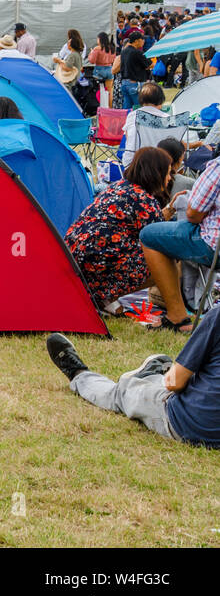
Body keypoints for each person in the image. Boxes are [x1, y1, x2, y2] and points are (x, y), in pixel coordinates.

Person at [44, 322, 220, 448]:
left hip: (187, 424)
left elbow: (174, 383)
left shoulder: (216, 318)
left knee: (120, 394)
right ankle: (149, 376)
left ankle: (79, 374)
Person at [64, 146, 174, 311]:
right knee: (165, 257)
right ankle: (104, 296)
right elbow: (157, 239)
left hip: (73, 259)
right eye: (168, 173)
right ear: (157, 173)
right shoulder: (144, 200)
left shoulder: (118, 186)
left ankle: (101, 297)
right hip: (98, 265)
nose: (169, 179)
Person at [140, 153, 220, 333]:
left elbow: (193, 214)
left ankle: (177, 316)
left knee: (149, 235)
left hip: (213, 246)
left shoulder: (216, 169)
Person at [112, 32, 152, 110]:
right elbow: (149, 65)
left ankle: (126, 121)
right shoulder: (137, 52)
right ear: (136, 41)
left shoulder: (123, 52)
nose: (143, 42)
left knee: (127, 108)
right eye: (142, 39)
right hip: (135, 84)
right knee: (139, 108)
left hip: (125, 83)